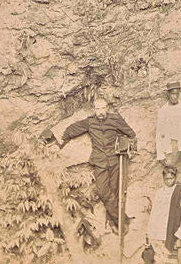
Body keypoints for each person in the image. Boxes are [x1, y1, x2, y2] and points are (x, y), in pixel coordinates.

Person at [42, 94, 137, 236]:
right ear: (94, 109)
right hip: (99, 162)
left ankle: (114, 223)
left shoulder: (115, 119)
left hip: (115, 160)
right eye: (97, 109)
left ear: (107, 108)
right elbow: (73, 129)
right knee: (103, 192)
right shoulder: (90, 122)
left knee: (115, 192)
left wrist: (129, 146)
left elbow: (131, 134)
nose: (100, 111)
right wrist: (61, 141)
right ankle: (122, 220)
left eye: (102, 108)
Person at [145, 164, 181, 262]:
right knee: (158, 260)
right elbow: (154, 214)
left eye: (171, 178)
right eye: (166, 179)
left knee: (172, 261)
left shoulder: (180, 192)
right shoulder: (159, 192)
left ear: (175, 177)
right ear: (163, 178)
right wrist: (150, 233)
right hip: (158, 235)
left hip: (172, 235)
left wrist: (180, 235)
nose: (169, 181)